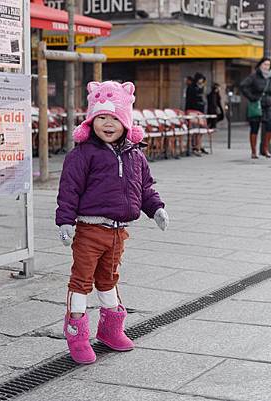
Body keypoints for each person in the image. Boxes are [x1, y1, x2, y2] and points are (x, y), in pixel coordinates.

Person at [55, 80, 169, 364]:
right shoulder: (82, 155)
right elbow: (69, 189)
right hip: (90, 230)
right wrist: (65, 221)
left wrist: (156, 209)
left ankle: (110, 329)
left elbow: (145, 188)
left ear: (126, 121)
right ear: (91, 120)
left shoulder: (135, 155)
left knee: (108, 280)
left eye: (114, 118)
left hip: (119, 233)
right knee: (81, 281)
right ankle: (76, 332)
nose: (107, 124)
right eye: (101, 118)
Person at [240, 57, 271, 159]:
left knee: (270, 125)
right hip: (257, 104)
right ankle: (254, 151)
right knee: (255, 127)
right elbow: (243, 86)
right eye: (265, 64)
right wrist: (251, 97)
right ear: (260, 65)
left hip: (269, 104)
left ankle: (265, 149)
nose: (267, 67)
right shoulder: (254, 76)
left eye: (268, 65)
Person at [185, 73, 208, 155]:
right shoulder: (192, 88)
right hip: (193, 111)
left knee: (201, 130)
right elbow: (190, 99)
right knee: (195, 129)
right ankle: (195, 146)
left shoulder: (200, 88)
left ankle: (199, 145)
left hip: (200, 111)